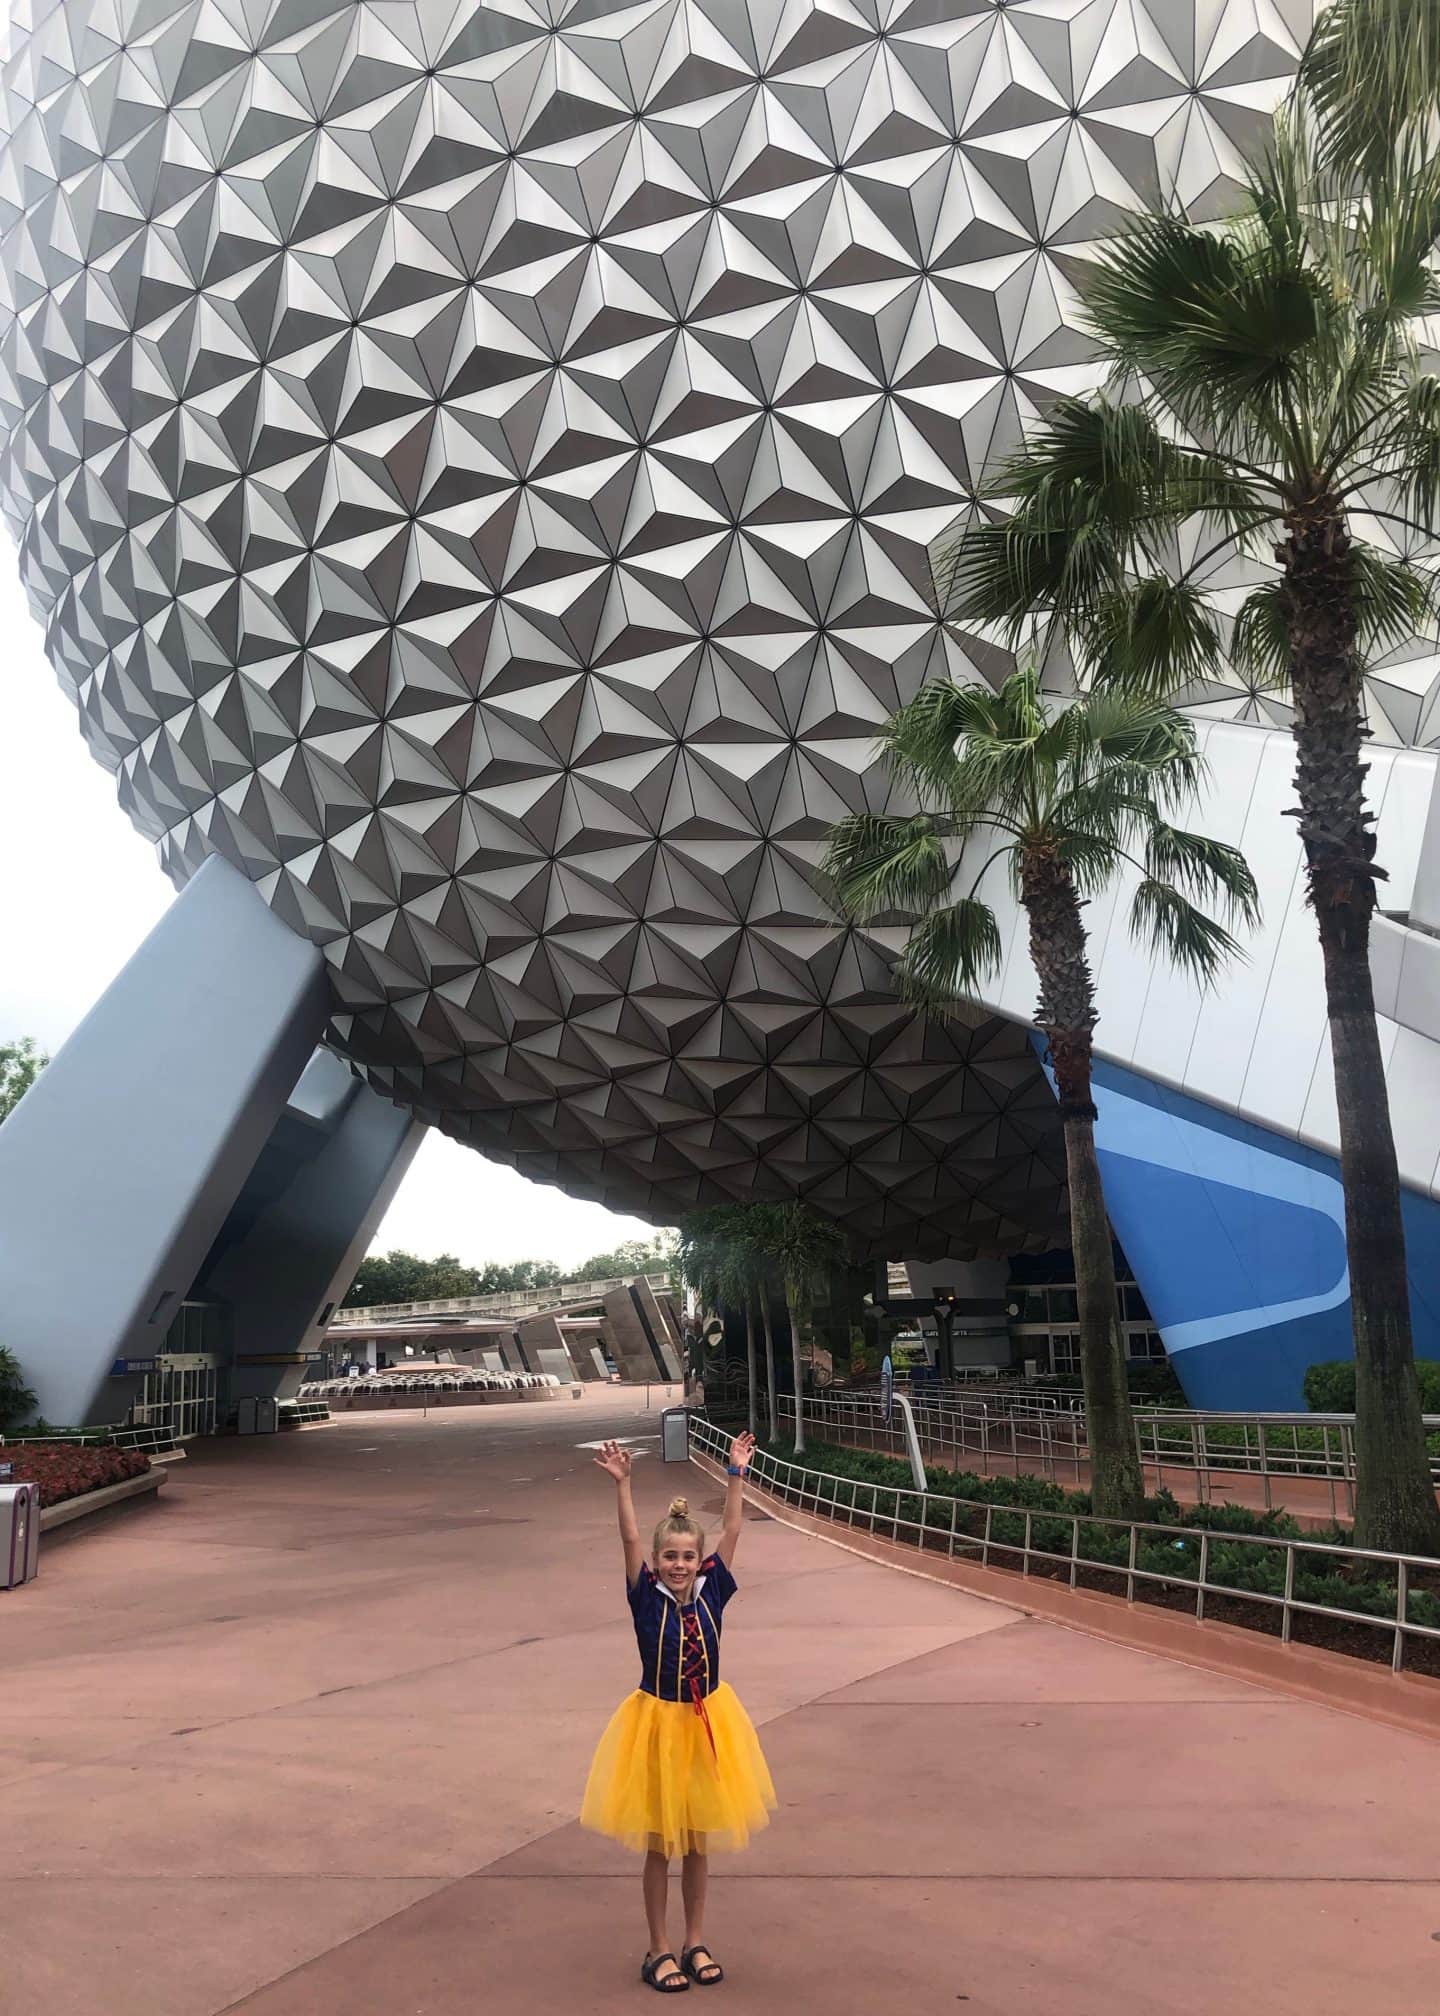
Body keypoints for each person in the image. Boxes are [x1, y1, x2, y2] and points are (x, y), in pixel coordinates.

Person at [583, 1430, 776, 1993]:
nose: (678, 1564)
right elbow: (628, 1538)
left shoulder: (714, 1589)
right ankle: (658, 1949)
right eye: (670, 1556)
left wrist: (736, 1473)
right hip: (657, 1726)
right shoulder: (644, 1595)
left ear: (699, 1559)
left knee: (696, 1841)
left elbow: (734, 1529)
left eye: (687, 1556)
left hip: (709, 1723)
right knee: (658, 1844)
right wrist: (623, 1485)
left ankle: (694, 1940)